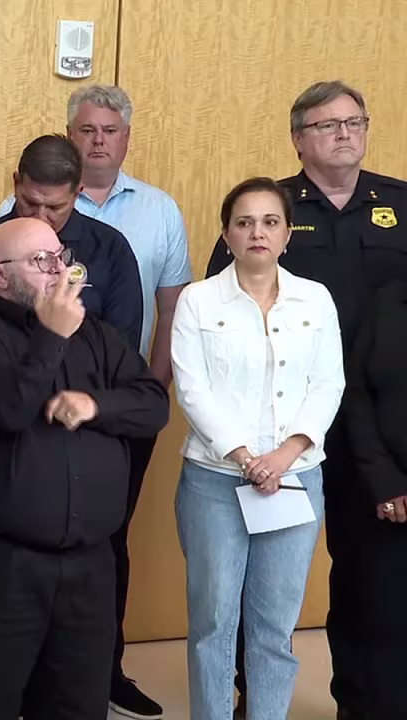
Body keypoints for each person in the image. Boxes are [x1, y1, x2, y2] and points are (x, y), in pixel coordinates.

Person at [204, 81, 407, 720]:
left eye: (354, 122)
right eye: (327, 125)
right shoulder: (269, 210)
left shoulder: (400, 204)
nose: (344, 134)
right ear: (298, 138)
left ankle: (363, 701)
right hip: (281, 431)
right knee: (259, 577)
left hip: (375, 430)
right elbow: (217, 313)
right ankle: (253, 696)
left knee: (371, 578)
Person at [0, 83, 191, 720]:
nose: (98, 140)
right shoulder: (12, 222)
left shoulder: (158, 212)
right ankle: (32, 680)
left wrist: (140, 393)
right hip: (27, 418)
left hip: (111, 410)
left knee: (107, 541)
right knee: (30, 548)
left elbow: (161, 313)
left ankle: (105, 670)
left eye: (110, 130)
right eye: (87, 129)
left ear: (126, 138)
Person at [0, 217, 168, 720]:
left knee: (78, 706)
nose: (59, 270)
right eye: (41, 261)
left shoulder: (98, 334)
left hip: (88, 566)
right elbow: (10, 410)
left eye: (61, 257)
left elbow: (153, 404)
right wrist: (51, 336)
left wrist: (96, 405)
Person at [172, 177, 344, 720]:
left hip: (295, 479)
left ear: (288, 233)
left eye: (270, 222)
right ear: (226, 234)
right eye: (244, 223)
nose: (257, 233)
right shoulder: (198, 301)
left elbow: (328, 384)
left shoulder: (315, 298)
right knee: (213, 623)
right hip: (216, 480)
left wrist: (284, 456)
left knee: (274, 626)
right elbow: (192, 390)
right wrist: (247, 458)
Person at [0, 134, 143, 370]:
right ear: (16, 184)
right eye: (30, 203)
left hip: (81, 390)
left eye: (54, 207)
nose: (40, 217)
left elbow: (123, 346)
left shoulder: (111, 250)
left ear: (77, 193)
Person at [341, 278, 407, 719]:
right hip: (391, 496)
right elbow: (357, 393)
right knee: (385, 622)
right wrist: (385, 479)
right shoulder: (388, 298)